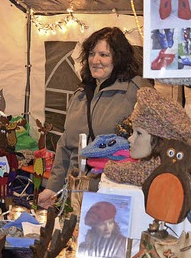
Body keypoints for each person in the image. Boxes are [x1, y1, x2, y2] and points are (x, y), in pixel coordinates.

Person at [37, 27, 150, 207]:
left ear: (118, 58)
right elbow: (66, 146)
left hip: (113, 194)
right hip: (75, 192)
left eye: (104, 54)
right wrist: (52, 188)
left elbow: (150, 147)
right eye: (91, 53)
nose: (95, 60)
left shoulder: (136, 91)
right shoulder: (81, 94)